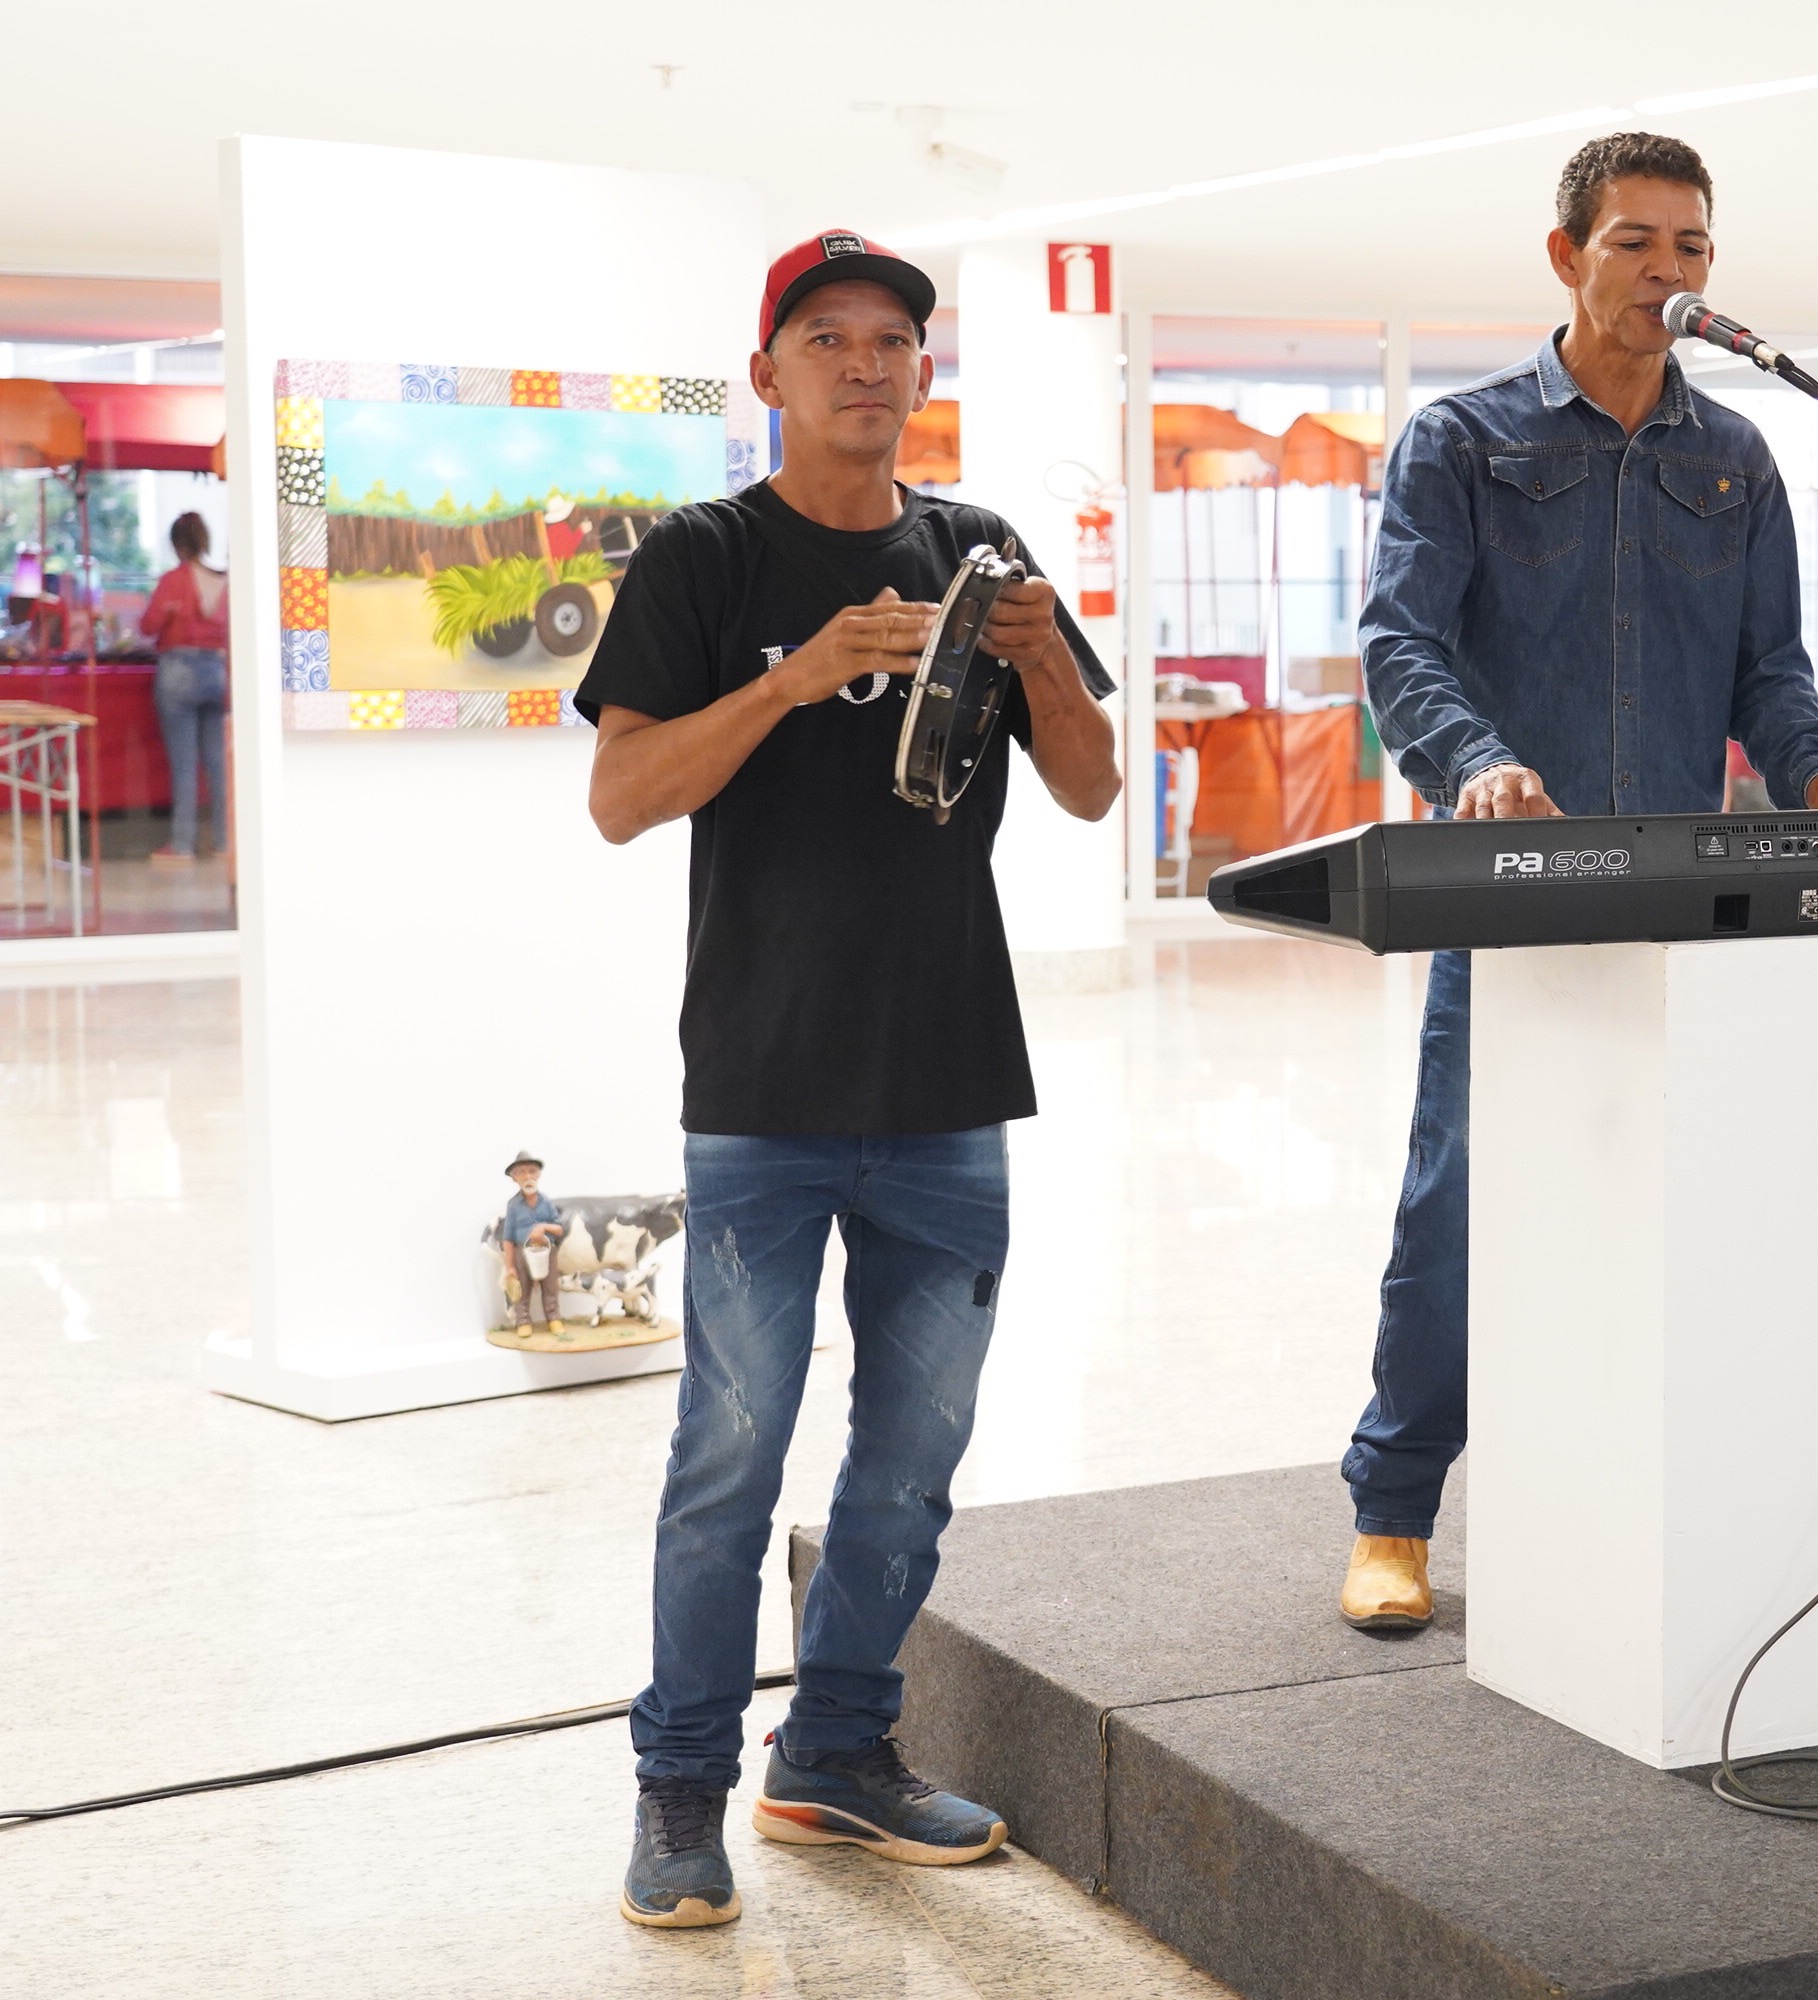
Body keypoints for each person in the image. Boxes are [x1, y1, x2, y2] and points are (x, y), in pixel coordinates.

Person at [578, 228, 1121, 1929]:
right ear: (768, 373)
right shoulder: (704, 557)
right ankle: (680, 1791)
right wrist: (799, 675)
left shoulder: (978, 549)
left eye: (893, 339)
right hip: (761, 1086)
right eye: (827, 338)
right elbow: (622, 796)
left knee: (910, 1461)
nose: (865, 364)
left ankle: (832, 1754)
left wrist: (1043, 656)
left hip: (951, 1081)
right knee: (727, 1463)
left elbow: (1095, 788)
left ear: (922, 371)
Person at [1342, 132, 1818, 1631]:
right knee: (1461, 1202)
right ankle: (1393, 1511)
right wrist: (1476, 760)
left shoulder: (1735, 458)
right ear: (1565, 256)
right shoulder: (1461, 443)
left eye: (1692, 247)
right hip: (1512, 890)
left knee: (1676, 1196)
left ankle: (1643, 1489)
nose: (1669, 271)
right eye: (1635, 242)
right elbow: (1400, 643)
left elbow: (1769, 672)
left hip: (1686, 901)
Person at [137, 512, 228, 865]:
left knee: (184, 764)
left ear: (176, 544)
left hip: (178, 672)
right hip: (217, 671)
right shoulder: (223, 581)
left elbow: (149, 625)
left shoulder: (173, 581)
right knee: (218, 763)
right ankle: (224, 841)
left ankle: (182, 843)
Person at [498, 1151, 567, 1335]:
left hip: (546, 1251)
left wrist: (543, 1227)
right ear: (514, 1178)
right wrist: (510, 1266)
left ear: (538, 1175)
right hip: (523, 1252)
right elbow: (508, 1238)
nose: (527, 1176)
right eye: (522, 1172)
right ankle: (523, 1321)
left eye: (532, 1171)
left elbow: (559, 1229)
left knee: (550, 1286)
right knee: (522, 1287)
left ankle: (553, 1318)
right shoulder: (513, 1205)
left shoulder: (546, 1202)